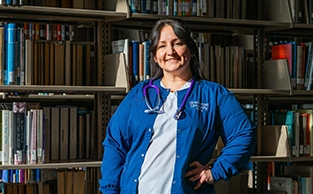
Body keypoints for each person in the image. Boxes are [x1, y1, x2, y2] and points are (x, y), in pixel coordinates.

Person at [99, 18, 256, 194]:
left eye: (177, 43)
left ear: (190, 49)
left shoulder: (214, 95)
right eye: (162, 46)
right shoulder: (139, 94)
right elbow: (115, 144)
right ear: (154, 56)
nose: (170, 52)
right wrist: (110, 190)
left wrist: (215, 171)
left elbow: (244, 134)